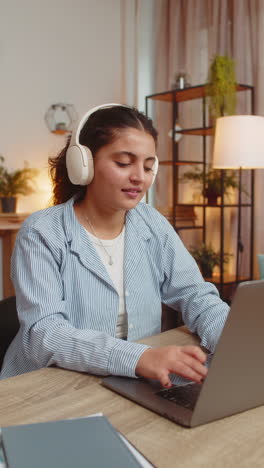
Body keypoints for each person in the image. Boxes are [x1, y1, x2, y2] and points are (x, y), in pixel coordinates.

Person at [0, 104, 229, 386]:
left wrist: (234, 340)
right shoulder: (42, 232)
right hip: (45, 388)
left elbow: (197, 295)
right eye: (123, 163)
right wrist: (138, 358)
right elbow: (46, 334)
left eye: (147, 166)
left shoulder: (151, 223)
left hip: (132, 382)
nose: (139, 177)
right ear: (83, 164)